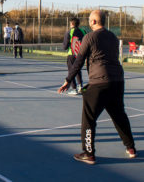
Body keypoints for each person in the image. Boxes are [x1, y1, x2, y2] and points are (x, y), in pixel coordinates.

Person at [58, 10, 136, 164]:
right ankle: (131, 148)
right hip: (118, 81)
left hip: (99, 82)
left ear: (93, 21)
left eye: (89, 19)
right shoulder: (113, 37)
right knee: (119, 115)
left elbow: (78, 61)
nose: (88, 21)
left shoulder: (90, 37)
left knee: (88, 118)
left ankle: (88, 153)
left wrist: (68, 80)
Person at [63, 18, 86, 95]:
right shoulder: (83, 31)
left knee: (71, 71)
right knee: (78, 70)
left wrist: (65, 46)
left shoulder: (69, 32)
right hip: (81, 55)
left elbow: (65, 46)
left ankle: (74, 88)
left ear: (71, 24)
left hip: (71, 55)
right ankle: (81, 87)